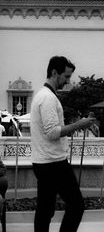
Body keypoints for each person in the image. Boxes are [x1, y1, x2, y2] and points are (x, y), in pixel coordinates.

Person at [31, 56, 97, 232]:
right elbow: (52, 132)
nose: (68, 82)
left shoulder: (42, 95)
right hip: (53, 162)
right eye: (66, 77)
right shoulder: (48, 98)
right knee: (76, 205)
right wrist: (80, 124)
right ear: (54, 73)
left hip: (43, 161)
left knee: (46, 209)